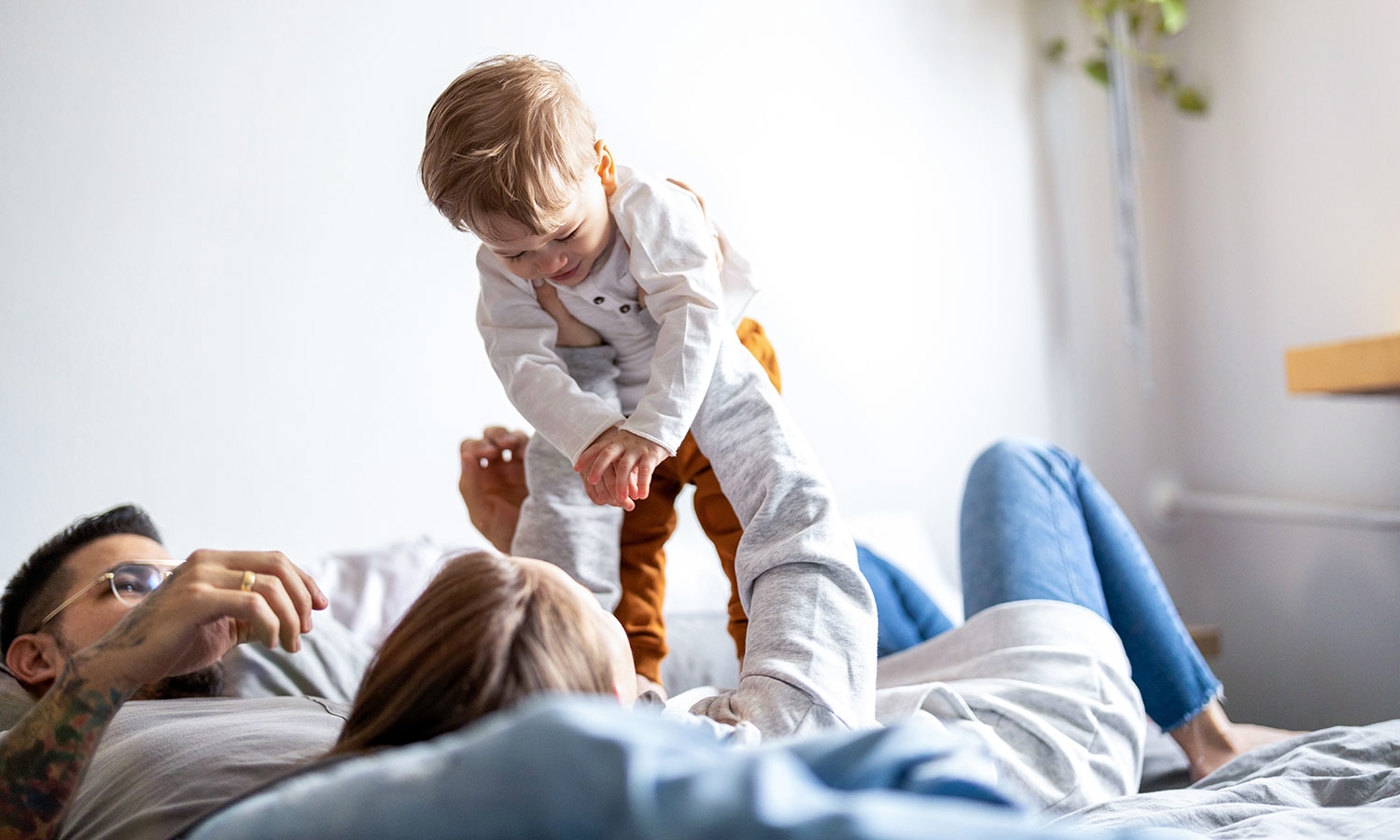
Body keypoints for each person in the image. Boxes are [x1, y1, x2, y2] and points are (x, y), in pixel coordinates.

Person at [420, 54, 868, 702]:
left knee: (747, 533)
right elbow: (523, 364)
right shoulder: (500, 271)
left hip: (708, 380)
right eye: (516, 252)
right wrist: (593, 436)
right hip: (623, 422)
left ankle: (766, 683)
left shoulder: (653, 208)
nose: (548, 264)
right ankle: (631, 691)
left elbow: (693, 316)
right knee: (624, 558)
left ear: (600, 168)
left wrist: (656, 430)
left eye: (563, 234)